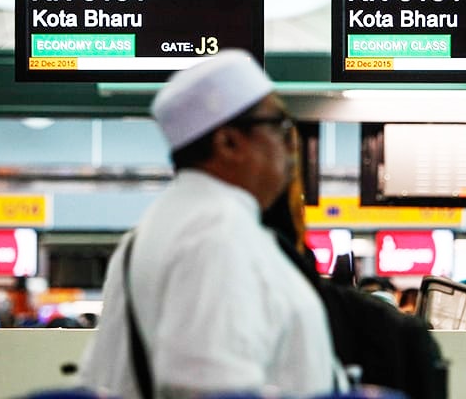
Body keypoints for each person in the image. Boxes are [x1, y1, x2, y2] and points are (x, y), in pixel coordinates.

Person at [78, 50, 340, 398]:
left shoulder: (157, 230)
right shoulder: (218, 236)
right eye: (278, 126)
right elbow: (208, 389)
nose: (290, 145)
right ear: (229, 142)